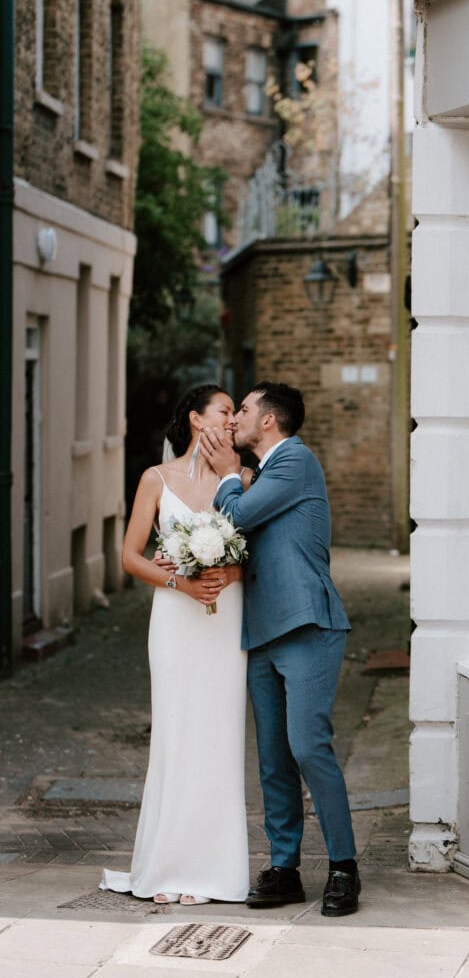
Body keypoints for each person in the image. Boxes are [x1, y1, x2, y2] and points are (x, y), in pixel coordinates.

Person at [200, 381, 360, 917]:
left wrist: (228, 476)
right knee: (272, 758)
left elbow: (237, 517)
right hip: (262, 632)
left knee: (308, 745)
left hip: (308, 625)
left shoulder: (295, 461)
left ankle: (343, 868)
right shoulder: (261, 475)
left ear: (269, 420)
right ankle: (285, 867)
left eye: (243, 409)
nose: (235, 418)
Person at [100, 384, 249, 906]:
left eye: (236, 413)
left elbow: (258, 556)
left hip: (226, 622)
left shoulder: (245, 479)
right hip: (173, 620)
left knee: (219, 735)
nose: (233, 420)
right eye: (226, 411)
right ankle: (168, 865)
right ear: (195, 419)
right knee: (176, 733)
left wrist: (229, 572)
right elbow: (131, 557)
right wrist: (180, 583)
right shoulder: (155, 479)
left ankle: (213, 869)